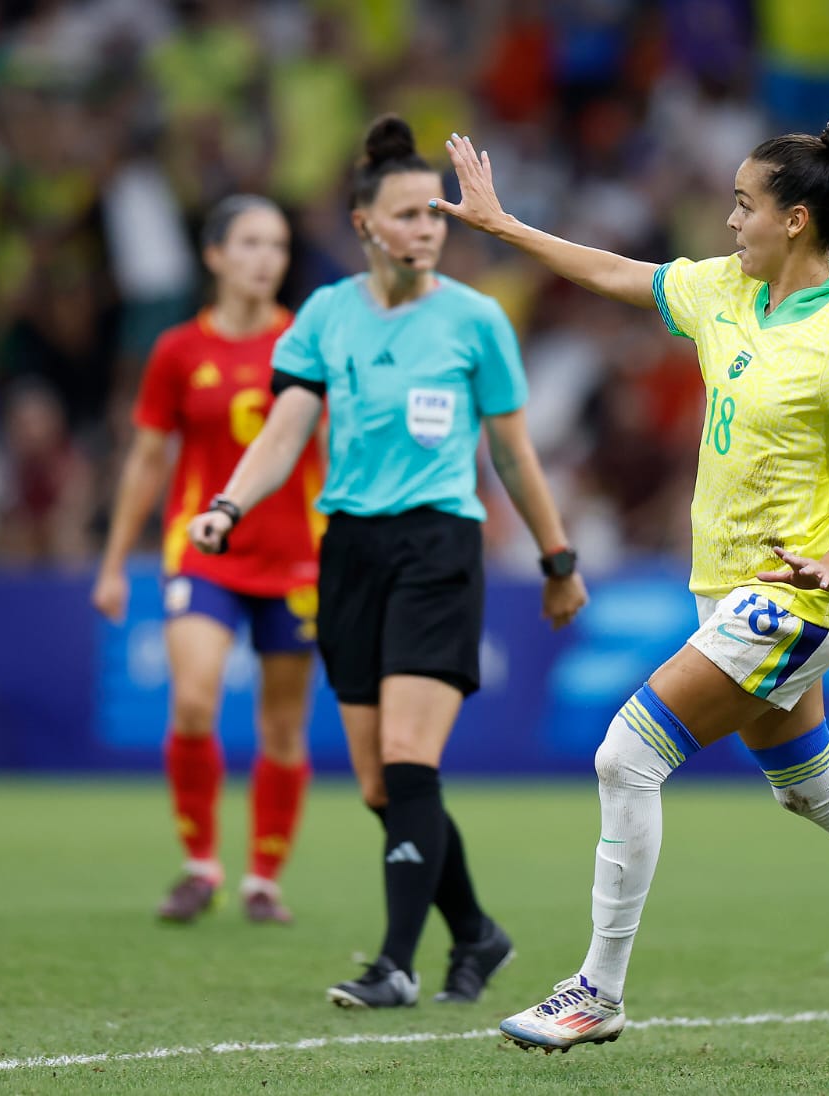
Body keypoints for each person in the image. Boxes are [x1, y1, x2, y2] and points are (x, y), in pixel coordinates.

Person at [432, 109, 829, 1052]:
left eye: (744, 205)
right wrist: (504, 227)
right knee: (806, 783)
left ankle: (597, 992)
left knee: (627, 755)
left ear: (794, 223)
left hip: (795, 597)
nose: (728, 220)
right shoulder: (726, 294)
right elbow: (619, 273)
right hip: (733, 589)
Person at [186, 115, 589, 1008]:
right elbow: (288, 427)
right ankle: (478, 933)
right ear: (365, 224)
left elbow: (514, 454)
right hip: (352, 553)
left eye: (436, 217)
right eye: (407, 216)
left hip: (439, 545)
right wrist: (227, 505)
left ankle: (396, 965)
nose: (427, 230)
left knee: (409, 756)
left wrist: (557, 556)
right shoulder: (325, 315)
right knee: (379, 783)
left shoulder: (476, 321)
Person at [92, 194, 321, 925]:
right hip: (203, 552)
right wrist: (112, 561)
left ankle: (263, 879)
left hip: (295, 558)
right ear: (214, 255)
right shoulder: (178, 352)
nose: (266, 259)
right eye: (250, 243)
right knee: (194, 702)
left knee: (281, 726)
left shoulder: (310, 342)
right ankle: (200, 865)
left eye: (278, 246)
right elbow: (147, 459)